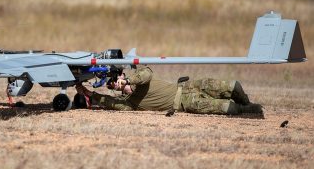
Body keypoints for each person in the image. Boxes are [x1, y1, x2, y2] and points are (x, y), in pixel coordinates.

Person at [75, 66, 263, 115]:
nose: (113, 84)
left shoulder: (139, 77)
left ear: (121, 76)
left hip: (189, 87)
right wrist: (91, 94)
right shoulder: (130, 103)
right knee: (228, 109)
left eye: (114, 80)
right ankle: (251, 109)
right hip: (186, 103)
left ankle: (246, 102)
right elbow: (113, 104)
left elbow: (147, 74)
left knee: (233, 86)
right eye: (110, 84)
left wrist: (127, 80)